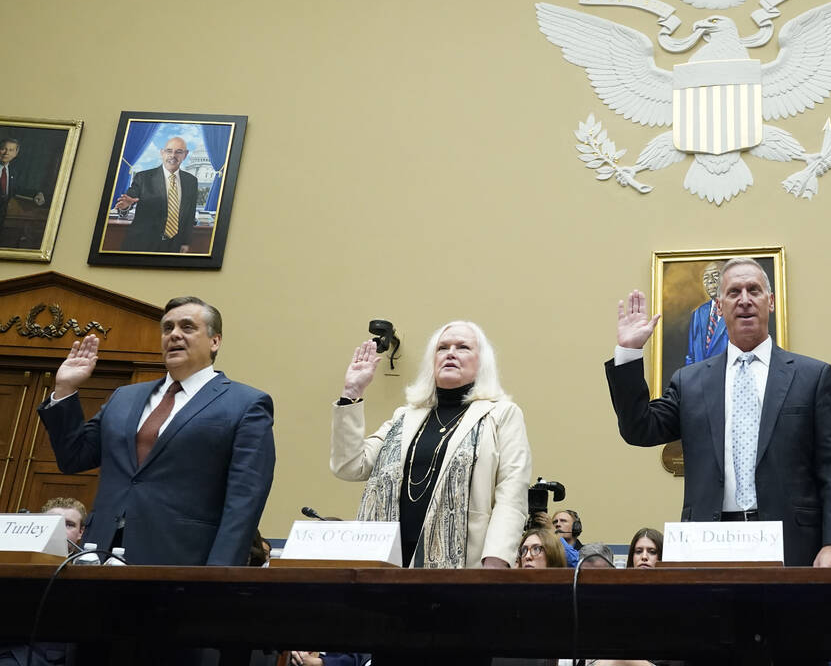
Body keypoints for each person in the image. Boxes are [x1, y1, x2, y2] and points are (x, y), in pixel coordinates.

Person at [605, 257, 831, 567]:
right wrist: (629, 353)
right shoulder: (691, 381)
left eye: (754, 290)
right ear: (720, 306)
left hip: (792, 544)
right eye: (734, 292)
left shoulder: (812, 377)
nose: (745, 300)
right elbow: (639, 429)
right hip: (709, 543)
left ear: (771, 302)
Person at [37, 296, 275, 567]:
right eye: (167, 328)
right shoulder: (124, 397)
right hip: (101, 553)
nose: (174, 335)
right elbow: (73, 457)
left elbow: (245, 500)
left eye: (187, 327)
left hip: (182, 559)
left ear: (214, 341)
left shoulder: (245, 403)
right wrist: (65, 389)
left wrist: (219, 572)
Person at [331, 321, 532, 568]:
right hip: (385, 564)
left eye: (463, 347)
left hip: (465, 565)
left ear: (482, 363)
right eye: (442, 348)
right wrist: (352, 391)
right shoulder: (404, 418)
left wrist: (497, 559)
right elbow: (350, 466)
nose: (450, 353)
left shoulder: (502, 414)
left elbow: (512, 494)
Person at [114, 136, 198, 253]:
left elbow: (190, 215)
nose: (173, 155)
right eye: (169, 151)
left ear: (186, 154)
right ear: (162, 153)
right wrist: (125, 206)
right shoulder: (143, 177)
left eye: (179, 152)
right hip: (142, 243)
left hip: (174, 245)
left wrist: (185, 242)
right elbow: (129, 199)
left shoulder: (191, 181)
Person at [685, 261, 727, 365]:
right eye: (705, 278)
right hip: (700, 379)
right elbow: (691, 355)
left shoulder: (738, 309)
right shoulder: (698, 313)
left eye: (715, 276)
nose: (710, 281)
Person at [0, 137, 46, 232]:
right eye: (3, 149)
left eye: (11, 150)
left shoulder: (12, 172)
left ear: (16, 154)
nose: (6, 153)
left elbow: (17, 189)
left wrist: (36, 193)